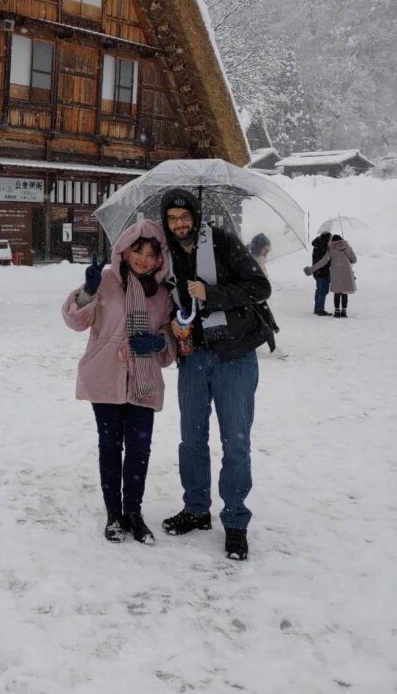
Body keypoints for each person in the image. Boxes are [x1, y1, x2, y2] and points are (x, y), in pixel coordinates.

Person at [159, 188, 272, 561]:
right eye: (172, 219)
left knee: (235, 443)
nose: (179, 224)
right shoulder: (168, 255)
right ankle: (196, 509)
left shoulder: (222, 241)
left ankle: (236, 521)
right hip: (193, 355)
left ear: (195, 215)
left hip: (235, 354)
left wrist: (212, 293)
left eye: (184, 216)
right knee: (191, 439)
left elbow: (260, 287)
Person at [62, 221, 175, 544]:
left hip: (144, 380)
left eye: (151, 254)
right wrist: (88, 291)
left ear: (159, 260)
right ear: (123, 251)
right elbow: (76, 321)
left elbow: (170, 336)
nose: (143, 258)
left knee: (139, 449)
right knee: (110, 447)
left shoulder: (163, 293)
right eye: (137, 250)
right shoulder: (106, 281)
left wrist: (158, 344)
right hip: (106, 377)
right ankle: (114, 514)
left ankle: (134, 513)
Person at [304, 234, 356, 317]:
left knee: (337, 292)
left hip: (336, 274)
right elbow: (354, 260)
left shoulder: (331, 250)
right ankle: (344, 312)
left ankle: (337, 312)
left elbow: (323, 262)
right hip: (346, 273)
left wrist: (311, 269)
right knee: (344, 293)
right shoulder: (347, 248)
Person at [308, 232, 332, 316]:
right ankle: (320, 309)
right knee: (323, 291)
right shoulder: (324, 247)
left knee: (319, 290)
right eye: (330, 238)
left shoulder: (317, 245)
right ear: (327, 238)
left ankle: (317, 308)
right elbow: (325, 261)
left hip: (317, 271)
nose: (331, 240)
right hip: (323, 272)